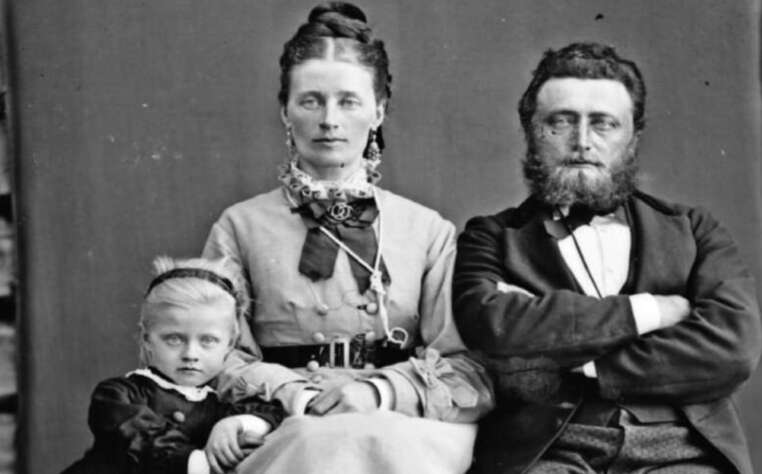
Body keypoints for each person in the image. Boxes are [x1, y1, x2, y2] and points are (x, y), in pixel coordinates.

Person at [201, 2, 493, 473]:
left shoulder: (428, 231)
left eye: (349, 101)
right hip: (286, 419)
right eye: (310, 100)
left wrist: (376, 391)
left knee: (377, 440)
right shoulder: (240, 226)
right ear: (284, 111)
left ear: (378, 111)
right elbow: (217, 354)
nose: (329, 120)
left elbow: (467, 369)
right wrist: (291, 393)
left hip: (401, 423)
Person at [453, 42, 762, 474]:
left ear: (632, 137)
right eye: (560, 123)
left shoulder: (693, 230)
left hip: (681, 449)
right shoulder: (491, 237)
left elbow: (733, 349)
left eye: (604, 124)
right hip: (549, 449)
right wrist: (652, 310)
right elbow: (490, 326)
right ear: (531, 131)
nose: (582, 143)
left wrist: (573, 356)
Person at [62, 257, 286, 474]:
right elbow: (140, 439)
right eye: (174, 339)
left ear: (229, 346)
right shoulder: (118, 395)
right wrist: (201, 463)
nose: (190, 354)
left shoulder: (218, 405)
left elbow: (271, 412)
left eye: (208, 341)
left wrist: (235, 424)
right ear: (146, 339)